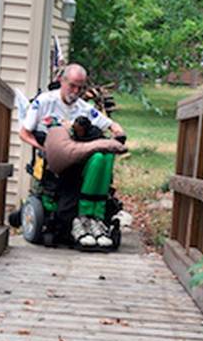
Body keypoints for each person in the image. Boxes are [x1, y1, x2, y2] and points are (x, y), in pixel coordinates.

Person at [20, 63, 126, 248]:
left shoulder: (83, 108)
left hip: (78, 157)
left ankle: (95, 219)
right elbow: (24, 133)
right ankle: (73, 223)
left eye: (80, 87)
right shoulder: (44, 102)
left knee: (102, 157)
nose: (76, 91)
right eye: (72, 86)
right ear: (62, 81)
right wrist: (43, 149)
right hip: (53, 158)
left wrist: (118, 132)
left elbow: (111, 125)